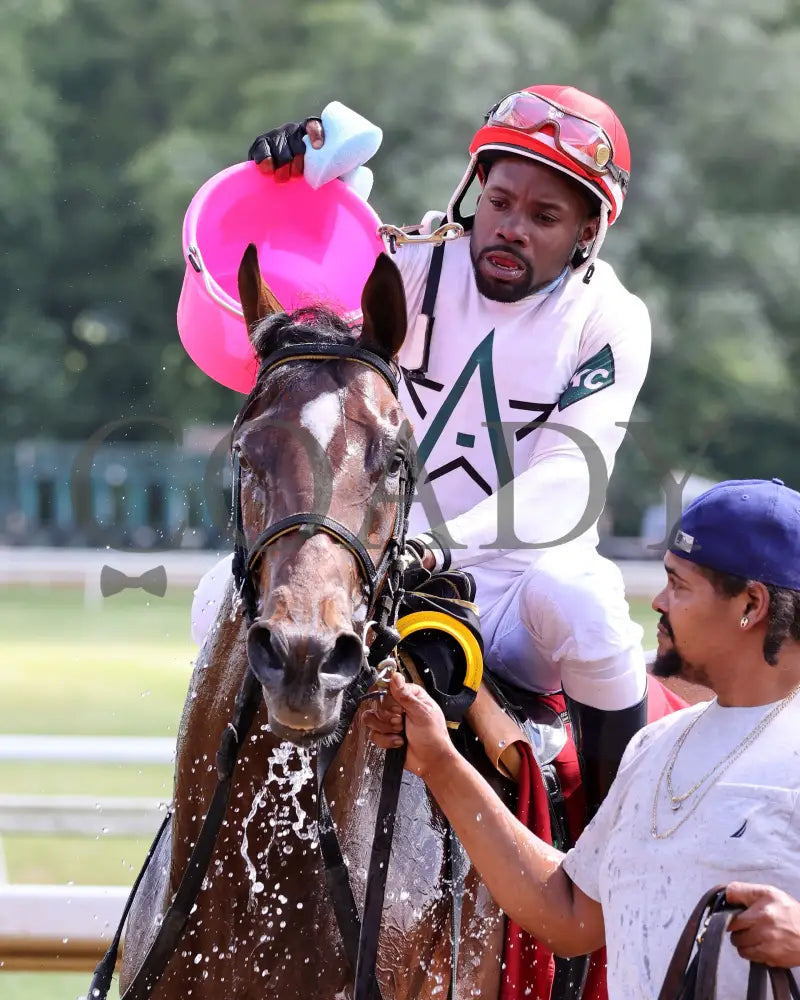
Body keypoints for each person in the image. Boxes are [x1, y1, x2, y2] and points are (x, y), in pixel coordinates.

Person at [194, 85, 663, 814]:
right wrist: (295, 177)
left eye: (544, 217)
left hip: (517, 581)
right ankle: (208, 820)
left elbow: (571, 482)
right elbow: (283, 295)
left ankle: (617, 849)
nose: (511, 229)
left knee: (588, 604)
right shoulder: (406, 265)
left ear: (587, 231)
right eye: (501, 201)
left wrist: (442, 547)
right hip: (381, 561)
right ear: (475, 188)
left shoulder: (611, 320)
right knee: (214, 600)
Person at [365, 477, 800, 996]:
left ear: (750, 604)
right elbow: (568, 915)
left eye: (679, 584)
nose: (659, 601)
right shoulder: (653, 746)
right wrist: (439, 761)